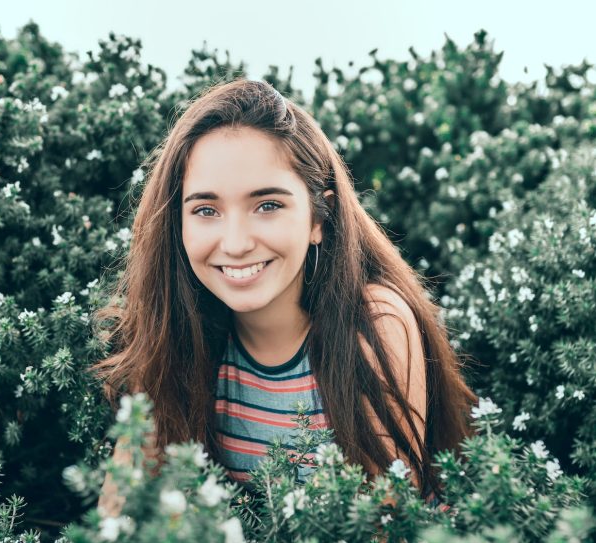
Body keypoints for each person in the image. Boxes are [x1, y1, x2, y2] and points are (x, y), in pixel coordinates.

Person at [92, 77, 476, 516]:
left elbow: (380, 528)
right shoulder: (175, 328)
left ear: (319, 217)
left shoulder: (375, 322)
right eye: (205, 210)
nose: (235, 243)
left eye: (267, 205)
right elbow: (119, 509)